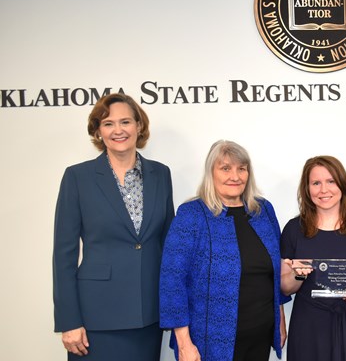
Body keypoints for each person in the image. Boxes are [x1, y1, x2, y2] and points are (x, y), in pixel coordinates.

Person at [53, 93, 174, 360]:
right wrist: (69, 321)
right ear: (98, 131)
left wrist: (175, 305)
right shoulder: (77, 177)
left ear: (139, 126)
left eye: (126, 122)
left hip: (149, 314)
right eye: (108, 124)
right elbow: (64, 255)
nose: (118, 130)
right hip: (96, 318)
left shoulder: (161, 174)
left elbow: (168, 245)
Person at [159, 140, 287, 361]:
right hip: (209, 340)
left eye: (241, 169)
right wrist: (184, 344)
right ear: (211, 172)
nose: (235, 176)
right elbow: (172, 281)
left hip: (259, 334)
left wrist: (280, 319)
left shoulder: (263, 210)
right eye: (225, 168)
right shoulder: (192, 214)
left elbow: (275, 271)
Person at [281, 155, 346, 361]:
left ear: (343, 185)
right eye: (316, 183)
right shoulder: (294, 230)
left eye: (331, 181)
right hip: (309, 329)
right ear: (307, 189)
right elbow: (285, 287)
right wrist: (297, 275)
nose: (323, 190)